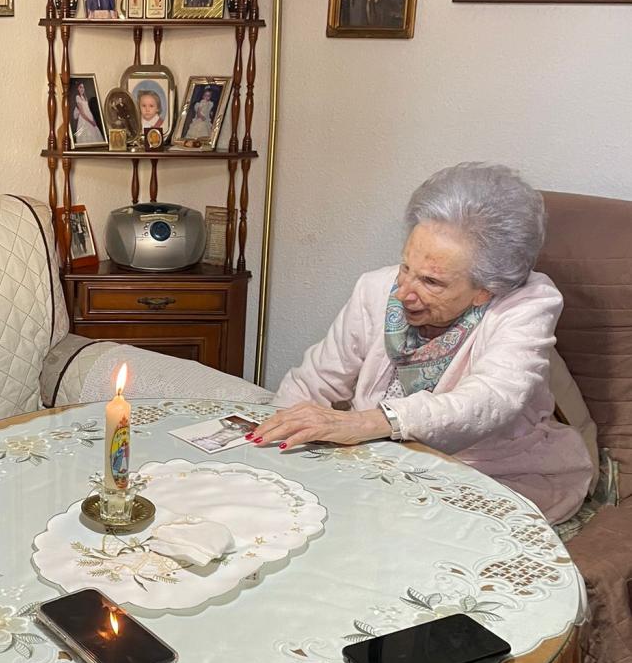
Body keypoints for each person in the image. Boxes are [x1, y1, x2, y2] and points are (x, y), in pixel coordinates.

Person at [251, 164, 593, 523]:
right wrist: (267, 450)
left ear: (485, 290)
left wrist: (370, 423)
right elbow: (315, 380)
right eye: (405, 267)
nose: (403, 293)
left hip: (490, 474)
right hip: (380, 464)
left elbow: (490, 399)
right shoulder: (375, 288)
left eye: (431, 281)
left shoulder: (526, 304)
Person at [71, 80, 104, 145]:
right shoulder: (78, 97)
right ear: (78, 88)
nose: (82, 89)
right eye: (80, 87)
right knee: (86, 135)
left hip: (89, 116)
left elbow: (88, 110)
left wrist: (93, 119)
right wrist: (91, 122)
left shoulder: (84, 97)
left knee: (95, 134)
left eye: (83, 87)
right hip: (84, 119)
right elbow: (82, 113)